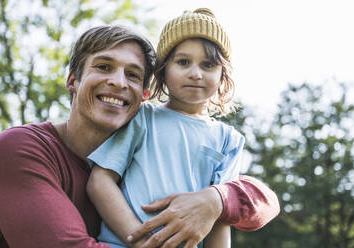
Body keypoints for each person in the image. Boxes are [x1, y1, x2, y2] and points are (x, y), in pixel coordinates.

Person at [0, 25, 280, 248]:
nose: (118, 82)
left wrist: (218, 199)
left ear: (144, 94)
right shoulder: (20, 148)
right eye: (103, 66)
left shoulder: (218, 139)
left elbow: (266, 203)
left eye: (133, 75)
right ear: (72, 80)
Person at [86, 8, 271, 248]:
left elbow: (220, 216)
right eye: (183, 62)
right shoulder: (143, 117)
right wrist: (141, 241)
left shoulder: (229, 140)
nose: (196, 73)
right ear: (163, 71)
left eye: (208, 65)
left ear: (223, 74)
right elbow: (100, 182)